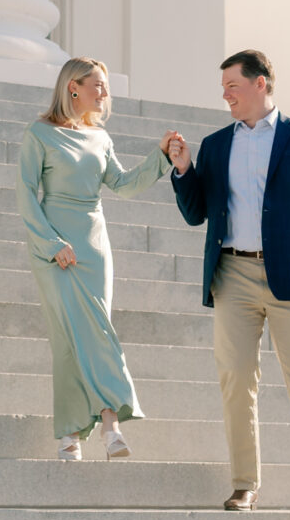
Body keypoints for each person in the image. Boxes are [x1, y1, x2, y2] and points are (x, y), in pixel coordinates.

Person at [167, 48, 290, 520]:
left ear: (261, 84)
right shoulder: (215, 144)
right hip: (233, 276)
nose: (225, 94)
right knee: (236, 381)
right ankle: (245, 485)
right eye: (223, 86)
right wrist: (184, 169)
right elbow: (196, 213)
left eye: (232, 84)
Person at [18, 56, 185, 462]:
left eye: (105, 85)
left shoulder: (100, 138)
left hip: (93, 247)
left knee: (98, 332)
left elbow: (124, 185)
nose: (105, 93)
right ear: (73, 86)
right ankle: (88, 430)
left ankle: (91, 430)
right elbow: (26, 194)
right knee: (69, 340)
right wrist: (51, 244)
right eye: (98, 85)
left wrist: (160, 157)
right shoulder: (40, 134)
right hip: (55, 249)